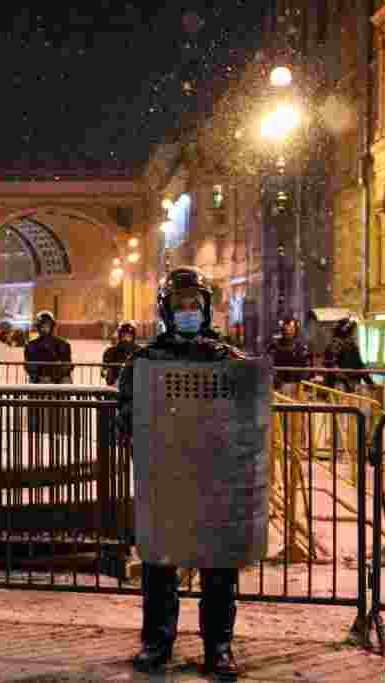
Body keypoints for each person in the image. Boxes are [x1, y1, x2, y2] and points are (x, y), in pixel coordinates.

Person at [117, 267, 245, 679]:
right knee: (159, 568)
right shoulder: (144, 360)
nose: (188, 311)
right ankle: (157, 644)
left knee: (219, 568)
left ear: (206, 310)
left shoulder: (227, 359)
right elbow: (125, 417)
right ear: (166, 310)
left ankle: (219, 648)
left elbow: (248, 418)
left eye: (194, 305)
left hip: (213, 479)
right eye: (180, 305)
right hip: (165, 477)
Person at [322, 318, 375, 393]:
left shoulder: (352, 345)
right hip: (338, 385)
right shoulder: (335, 345)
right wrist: (346, 382)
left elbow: (359, 365)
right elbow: (331, 365)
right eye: (351, 331)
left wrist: (370, 382)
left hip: (350, 384)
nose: (353, 335)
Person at [24, 311, 73, 383]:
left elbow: (67, 365)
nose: (45, 328)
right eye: (43, 325)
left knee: (66, 380)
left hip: (58, 379)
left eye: (47, 325)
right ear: (38, 327)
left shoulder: (63, 344)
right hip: (38, 380)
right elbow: (29, 367)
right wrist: (41, 376)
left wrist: (56, 375)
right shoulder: (31, 345)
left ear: (52, 326)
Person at [265, 318, 311, 391]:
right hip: (276, 388)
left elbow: (306, 369)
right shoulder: (273, 347)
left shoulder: (301, 348)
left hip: (297, 388)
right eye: (285, 329)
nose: (288, 332)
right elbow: (266, 367)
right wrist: (279, 384)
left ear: (295, 330)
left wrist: (297, 385)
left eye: (291, 329)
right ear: (282, 330)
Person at [102, 321, 141, 386]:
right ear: (120, 336)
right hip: (115, 383)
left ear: (133, 337)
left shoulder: (138, 351)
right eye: (124, 336)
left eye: (129, 336)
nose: (126, 338)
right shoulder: (111, 351)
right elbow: (104, 370)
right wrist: (107, 372)